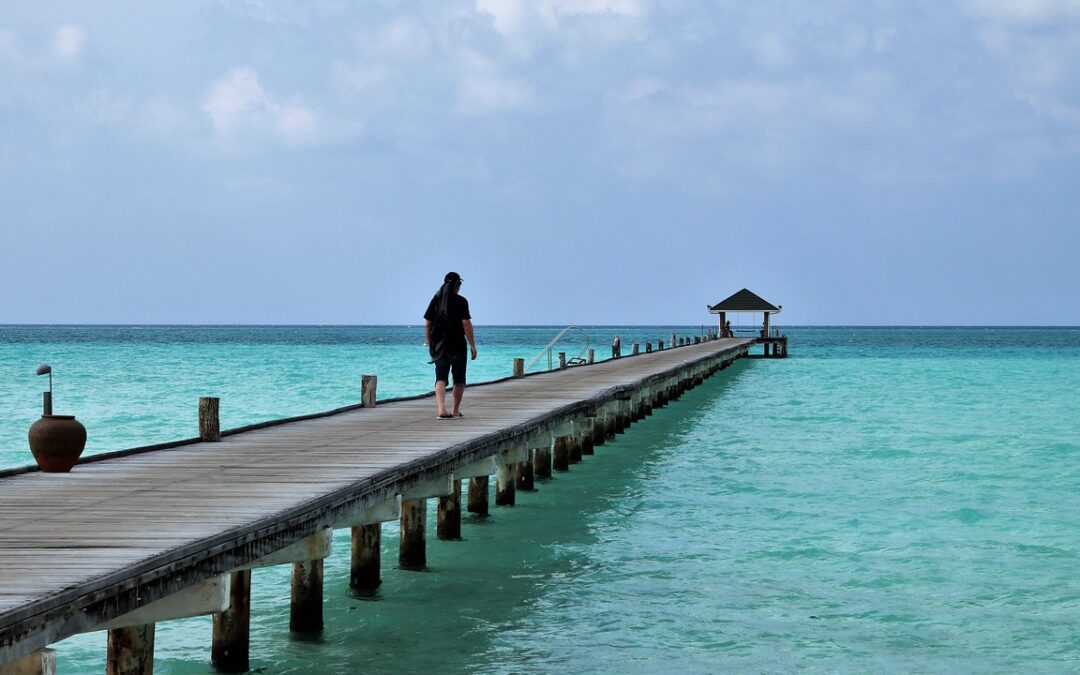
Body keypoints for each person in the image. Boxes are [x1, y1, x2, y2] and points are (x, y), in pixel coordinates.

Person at [424, 272, 477, 419]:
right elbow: (466, 323)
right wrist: (472, 345)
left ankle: (441, 409)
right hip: (457, 344)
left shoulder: (436, 299)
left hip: (439, 344)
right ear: (457, 285)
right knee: (459, 378)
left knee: (440, 377)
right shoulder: (461, 301)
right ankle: (454, 410)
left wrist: (429, 341)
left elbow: (428, 323)